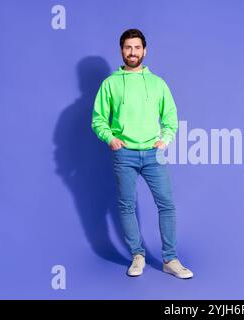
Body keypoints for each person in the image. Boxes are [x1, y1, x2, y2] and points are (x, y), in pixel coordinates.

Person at [91, 28, 193, 279]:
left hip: (152, 153)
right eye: (128, 47)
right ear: (121, 51)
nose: (132, 52)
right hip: (124, 153)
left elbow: (170, 117)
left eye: (137, 47)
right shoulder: (111, 84)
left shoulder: (158, 84)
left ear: (144, 51)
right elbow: (98, 119)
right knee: (126, 206)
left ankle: (170, 259)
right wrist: (110, 138)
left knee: (166, 205)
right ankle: (138, 256)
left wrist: (165, 139)